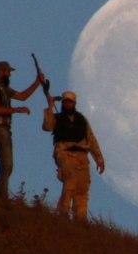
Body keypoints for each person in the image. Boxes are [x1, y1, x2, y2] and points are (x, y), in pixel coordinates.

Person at [0, 60, 44, 199]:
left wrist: (37, 83)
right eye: (8, 72)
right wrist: (16, 110)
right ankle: (2, 197)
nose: (9, 74)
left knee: (6, 166)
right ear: (2, 72)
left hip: (4, 130)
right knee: (7, 166)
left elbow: (22, 96)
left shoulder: (5, 89)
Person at [42, 90, 105, 221]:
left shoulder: (82, 120)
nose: (67, 104)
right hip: (64, 152)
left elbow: (91, 139)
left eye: (69, 102)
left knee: (82, 188)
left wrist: (99, 158)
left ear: (74, 103)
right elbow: (47, 127)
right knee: (70, 179)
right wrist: (49, 107)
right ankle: (62, 212)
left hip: (82, 155)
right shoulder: (57, 117)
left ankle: (80, 219)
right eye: (65, 101)